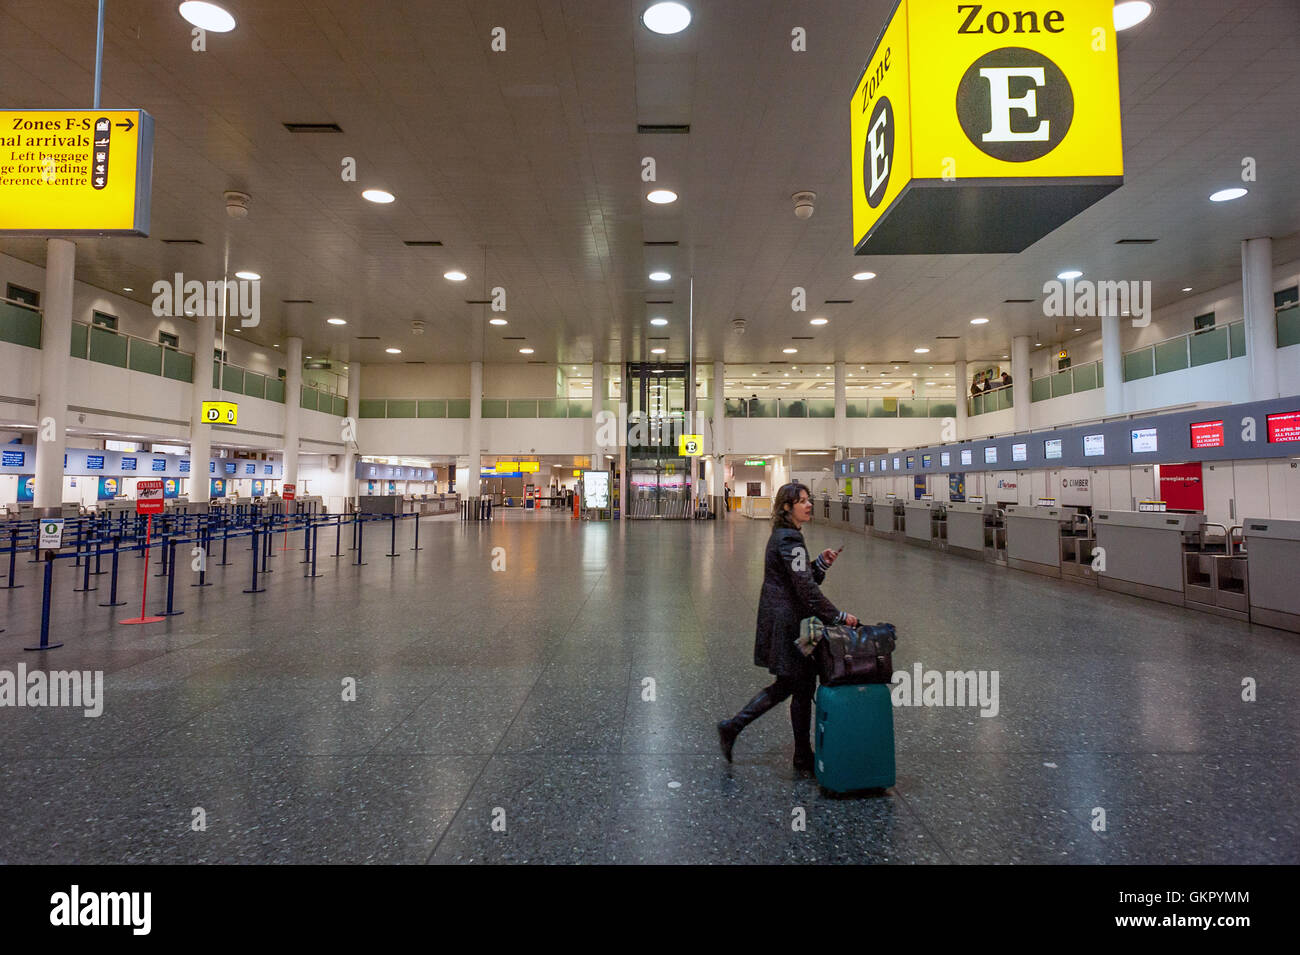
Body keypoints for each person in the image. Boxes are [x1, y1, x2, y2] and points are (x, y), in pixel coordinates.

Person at [717, 482, 859, 773]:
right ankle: (733, 726)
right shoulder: (788, 540)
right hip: (786, 623)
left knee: (802, 685)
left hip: (787, 619)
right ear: (786, 507)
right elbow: (805, 590)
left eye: (809, 500)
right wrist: (839, 616)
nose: (808, 505)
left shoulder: (788, 537)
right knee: (790, 685)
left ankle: (801, 754)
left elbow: (802, 579)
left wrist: (820, 563)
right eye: (802, 501)